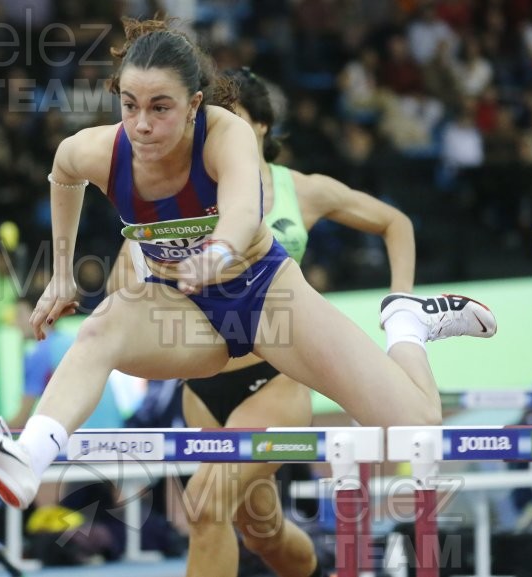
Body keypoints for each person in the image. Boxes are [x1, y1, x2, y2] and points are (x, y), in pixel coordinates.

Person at [0, 17, 495, 533]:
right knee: (101, 326)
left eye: (161, 108)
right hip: (184, 312)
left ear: (195, 105)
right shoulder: (100, 149)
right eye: (130, 105)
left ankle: (407, 325)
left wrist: (220, 250)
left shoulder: (225, 133)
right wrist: (62, 275)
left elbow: (242, 209)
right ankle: (29, 458)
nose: (142, 123)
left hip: (265, 300)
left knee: (416, 427)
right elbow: (63, 173)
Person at [105, 66, 417, 577]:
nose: (220, 135)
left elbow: (395, 222)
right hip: (203, 386)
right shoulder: (180, 194)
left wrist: (398, 300)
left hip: (274, 378)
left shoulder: (301, 190)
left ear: (264, 128)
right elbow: (123, 283)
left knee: (206, 508)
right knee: (262, 532)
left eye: (235, 122)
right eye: (213, 123)